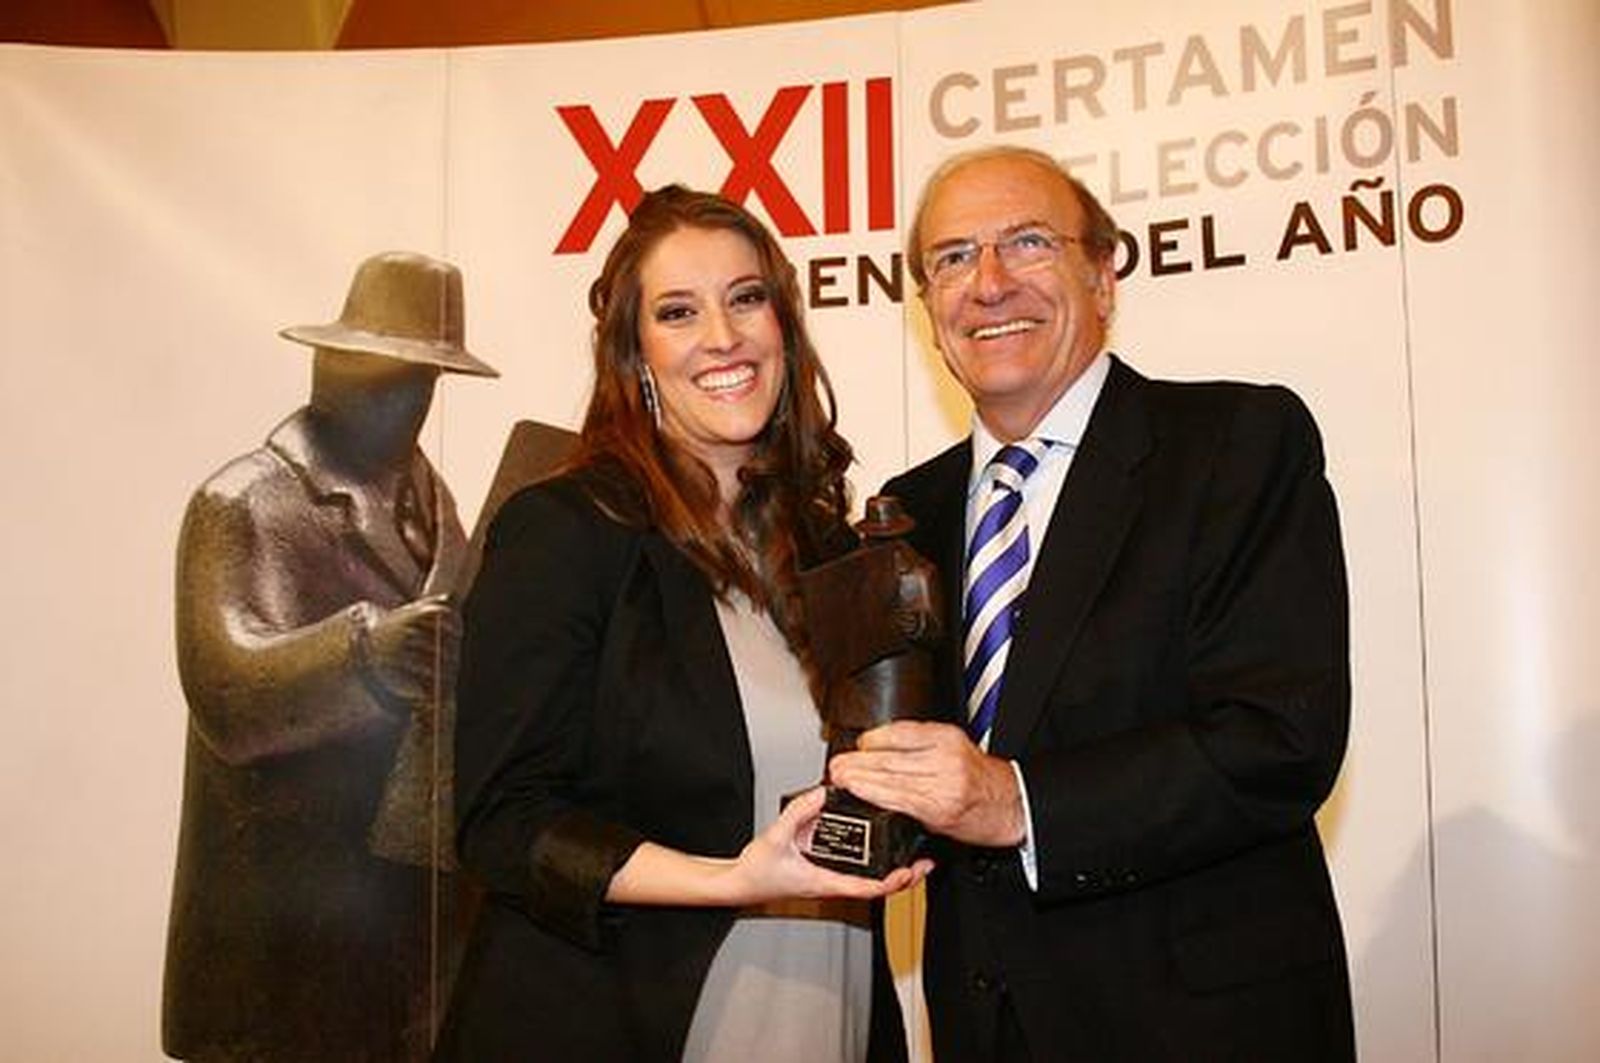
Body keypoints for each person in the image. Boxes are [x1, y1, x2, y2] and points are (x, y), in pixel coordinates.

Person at [829, 146, 1356, 1060]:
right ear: (928, 310)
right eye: (952, 258)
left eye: (1026, 243)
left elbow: (1281, 738)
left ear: (1104, 276)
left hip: (1203, 1027)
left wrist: (1016, 801)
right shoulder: (900, 512)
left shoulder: (1237, 444)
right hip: (985, 1023)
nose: (987, 284)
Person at [434, 186, 930, 1063]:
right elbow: (501, 821)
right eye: (677, 312)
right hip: (630, 1019)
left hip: (832, 1010)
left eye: (746, 298)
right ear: (635, 356)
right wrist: (732, 879)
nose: (723, 336)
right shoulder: (569, 528)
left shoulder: (824, 541)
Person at [164, 251, 497, 1061]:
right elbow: (227, 694)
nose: (398, 395)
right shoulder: (243, 499)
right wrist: (369, 654)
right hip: (282, 933)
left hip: (401, 929)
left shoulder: (430, 500)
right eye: (370, 367)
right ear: (326, 360)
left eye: (416, 376)